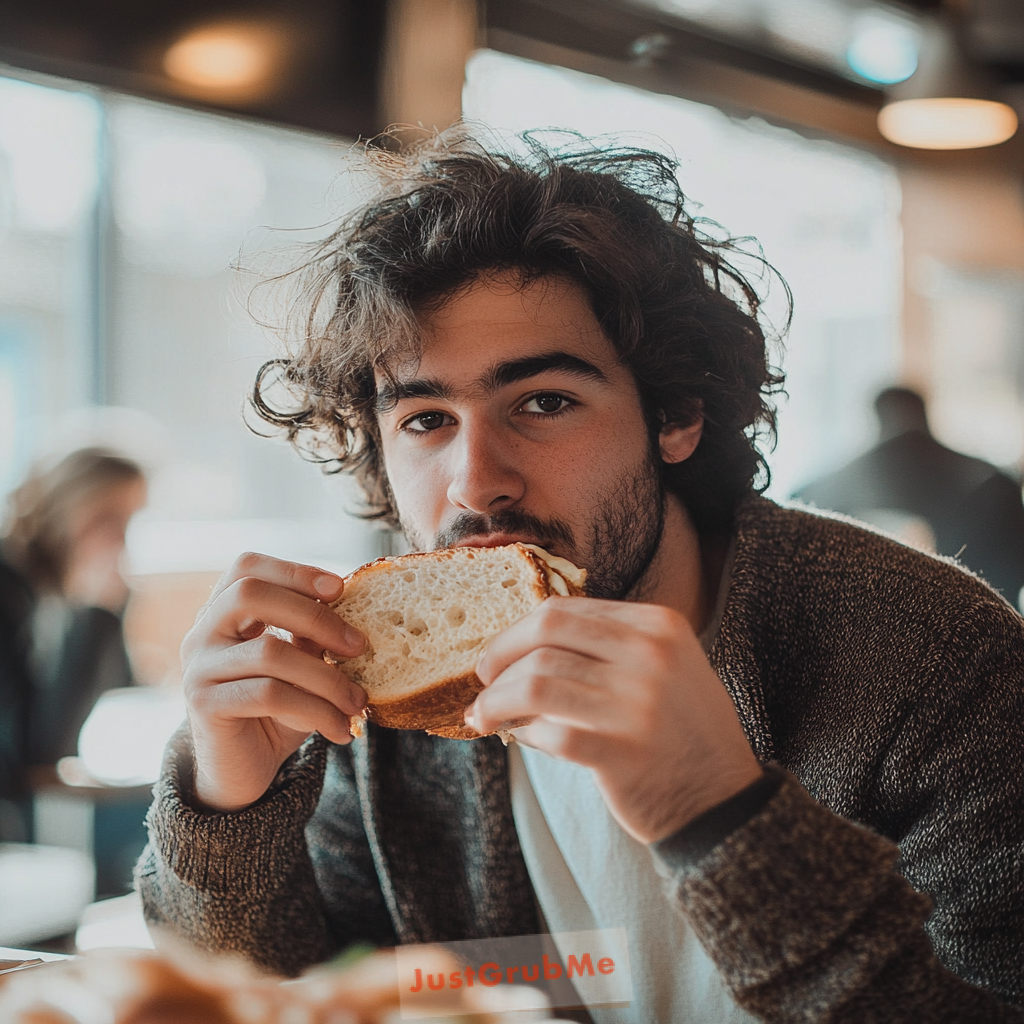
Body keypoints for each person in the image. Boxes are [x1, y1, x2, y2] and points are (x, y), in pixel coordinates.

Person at [137, 132, 1024, 1022]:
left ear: (675, 415)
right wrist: (228, 807)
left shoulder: (935, 655)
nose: (477, 480)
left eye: (544, 402)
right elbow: (304, 999)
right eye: (426, 419)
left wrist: (720, 817)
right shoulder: (382, 702)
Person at [0, 448, 147, 840]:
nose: (118, 540)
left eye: (128, 523)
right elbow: (42, 750)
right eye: (108, 519)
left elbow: (122, 688)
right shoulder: (8, 587)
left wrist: (111, 607)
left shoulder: (56, 590)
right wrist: (99, 612)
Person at [793, 385, 1024, 607]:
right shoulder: (994, 483)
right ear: (925, 414)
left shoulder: (813, 495)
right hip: (977, 633)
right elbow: (1014, 577)